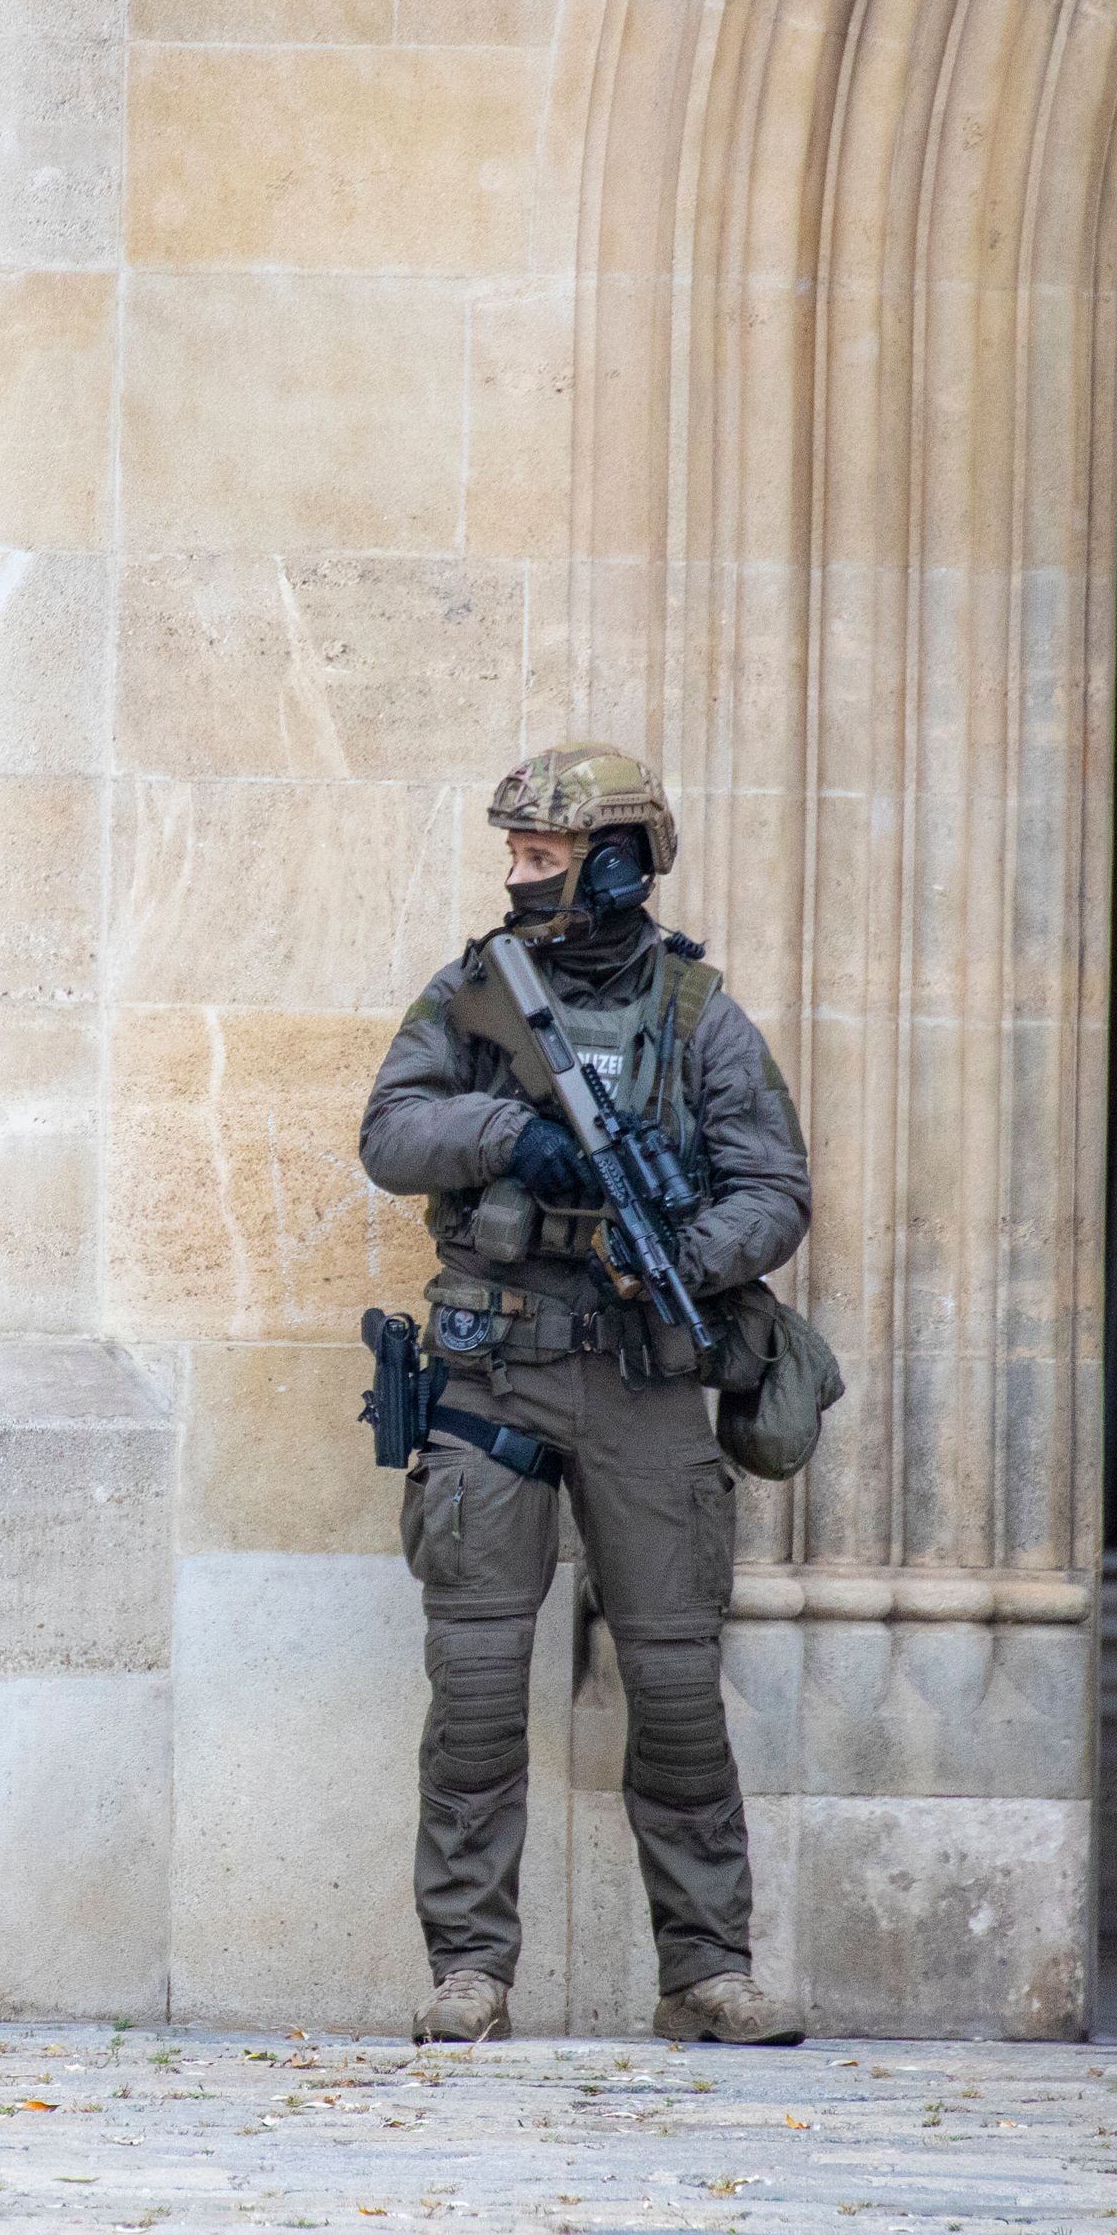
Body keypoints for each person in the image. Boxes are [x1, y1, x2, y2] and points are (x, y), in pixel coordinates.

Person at [356, 744, 815, 2047]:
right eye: (514, 854)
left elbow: (773, 1188)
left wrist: (672, 1253)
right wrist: (515, 1135)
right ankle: (471, 1967)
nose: (517, 875)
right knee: (480, 1681)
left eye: (541, 857)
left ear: (614, 862)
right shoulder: (471, 993)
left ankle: (706, 1967)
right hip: (495, 1371)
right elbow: (391, 1132)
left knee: (673, 1685)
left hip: (643, 1375)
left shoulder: (696, 1015)